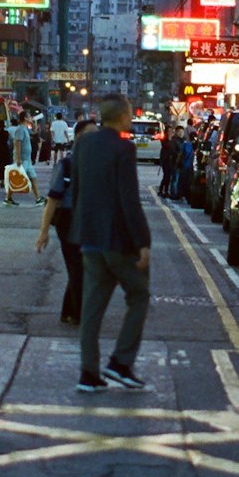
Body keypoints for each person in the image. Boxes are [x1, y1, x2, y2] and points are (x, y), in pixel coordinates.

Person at [70, 93, 151, 392]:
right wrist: (142, 242)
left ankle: (88, 374)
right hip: (118, 240)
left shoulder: (83, 144)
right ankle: (120, 362)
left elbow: (76, 190)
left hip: (89, 237)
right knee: (139, 295)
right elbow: (129, 199)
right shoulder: (124, 148)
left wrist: (78, 231)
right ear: (120, 117)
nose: (131, 118)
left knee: (91, 310)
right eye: (129, 113)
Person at [36, 119, 94, 324]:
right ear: (78, 137)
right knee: (77, 268)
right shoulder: (66, 164)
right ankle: (81, 315)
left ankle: (68, 310)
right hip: (68, 221)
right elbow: (52, 199)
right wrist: (43, 232)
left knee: (84, 267)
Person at [5, 110, 43, 205]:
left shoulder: (25, 128)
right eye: (29, 116)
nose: (31, 117)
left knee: (33, 178)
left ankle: (38, 199)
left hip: (27, 160)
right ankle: (8, 198)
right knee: (17, 178)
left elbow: (34, 131)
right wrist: (18, 159)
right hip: (22, 159)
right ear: (25, 118)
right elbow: (18, 143)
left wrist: (34, 122)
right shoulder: (20, 129)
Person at [157, 123, 176, 198]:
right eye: (169, 131)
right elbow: (167, 148)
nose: (170, 132)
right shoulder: (164, 140)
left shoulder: (173, 140)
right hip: (166, 160)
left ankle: (166, 190)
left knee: (169, 176)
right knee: (166, 176)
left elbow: (174, 149)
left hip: (172, 161)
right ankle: (162, 190)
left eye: (171, 131)